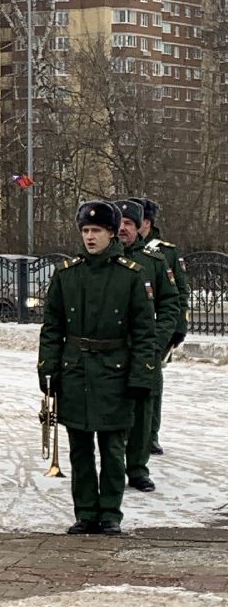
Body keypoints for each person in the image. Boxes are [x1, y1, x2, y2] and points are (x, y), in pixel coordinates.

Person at [38, 200, 157, 536]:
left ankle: (110, 514)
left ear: (111, 233)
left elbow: (144, 333)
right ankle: (86, 512)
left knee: (112, 447)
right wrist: (48, 369)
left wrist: (141, 376)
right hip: (76, 369)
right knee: (79, 448)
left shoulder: (130, 276)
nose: (90, 237)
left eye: (97, 231)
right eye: (86, 231)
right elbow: (52, 327)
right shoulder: (67, 274)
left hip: (115, 371)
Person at [116, 198, 180, 494]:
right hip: (113, 348)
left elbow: (171, 303)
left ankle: (138, 468)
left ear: (141, 227)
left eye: (129, 223)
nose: (123, 229)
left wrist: (159, 338)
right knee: (113, 409)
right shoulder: (105, 259)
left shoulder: (154, 261)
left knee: (143, 410)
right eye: (119, 223)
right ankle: (113, 465)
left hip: (145, 347)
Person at [139, 198, 189, 455]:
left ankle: (150, 434)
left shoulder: (166, 253)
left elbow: (180, 293)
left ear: (146, 223)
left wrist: (178, 328)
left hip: (158, 329)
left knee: (153, 383)